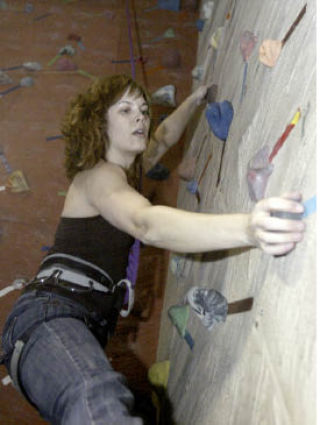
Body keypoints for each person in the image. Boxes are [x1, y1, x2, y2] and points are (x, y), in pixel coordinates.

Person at [0, 74, 305, 425]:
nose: (141, 118)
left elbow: (164, 136)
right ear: (98, 123)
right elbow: (146, 223)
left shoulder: (127, 175)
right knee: (99, 401)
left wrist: (195, 100)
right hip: (48, 317)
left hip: (68, 324)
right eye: (126, 110)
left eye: (144, 111)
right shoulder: (98, 176)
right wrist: (248, 228)